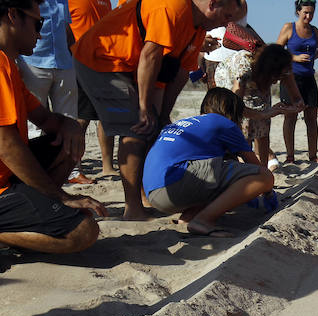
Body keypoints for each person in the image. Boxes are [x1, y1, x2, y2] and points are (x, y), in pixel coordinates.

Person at [72, 0, 244, 220]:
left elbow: (178, 72)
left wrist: (163, 115)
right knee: (137, 128)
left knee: (155, 126)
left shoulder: (198, 27)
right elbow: (150, 55)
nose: (227, 24)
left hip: (133, 65)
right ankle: (132, 208)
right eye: (227, 16)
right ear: (212, 4)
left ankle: (145, 196)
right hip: (103, 59)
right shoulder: (172, 8)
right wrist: (144, 107)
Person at [0, 0, 106, 254]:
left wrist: (69, 125)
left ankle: (37, 212)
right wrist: (62, 197)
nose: (40, 34)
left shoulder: (10, 66)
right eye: (38, 24)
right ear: (13, 16)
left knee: (68, 141)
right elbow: (6, 145)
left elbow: (46, 120)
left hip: (6, 176)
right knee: (83, 232)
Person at [142, 88, 274, 237]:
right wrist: (269, 194)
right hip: (174, 183)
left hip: (154, 193)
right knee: (264, 176)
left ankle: (189, 216)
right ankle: (203, 220)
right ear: (233, 112)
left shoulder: (187, 123)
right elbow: (256, 167)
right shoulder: (224, 123)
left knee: (218, 173)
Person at [17, 0, 92, 185]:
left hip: (63, 62)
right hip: (33, 62)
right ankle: (36, 174)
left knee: (69, 120)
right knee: (35, 124)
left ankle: (73, 171)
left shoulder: (63, 1)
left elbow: (66, 30)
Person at [214, 44, 302, 172]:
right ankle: (245, 169)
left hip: (259, 78)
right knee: (244, 128)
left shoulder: (283, 65)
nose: (276, 82)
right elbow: (235, 107)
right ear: (269, 72)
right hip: (229, 77)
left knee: (263, 128)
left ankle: (263, 170)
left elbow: (296, 97)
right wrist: (268, 113)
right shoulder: (244, 68)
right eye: (276, 78)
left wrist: (296, 105)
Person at [68, 0, 114, 178]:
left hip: (105, 62)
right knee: (81, 118)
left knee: (106, 116)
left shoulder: (107, 2)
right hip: (80, 62)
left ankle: (107, 165)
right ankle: (74, 168)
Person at [277, 0, 318, 164]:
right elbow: (276, 51)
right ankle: (290, 156)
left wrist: (313, 58)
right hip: (290, 78)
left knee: (311, 118)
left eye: (311, 13)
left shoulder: (314, 30)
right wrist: (294, 58)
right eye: (305, 12)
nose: (308, 16)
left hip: (309, 78)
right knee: (290, 118)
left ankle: (313, 155)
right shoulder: (288, 28)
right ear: (298, 11)